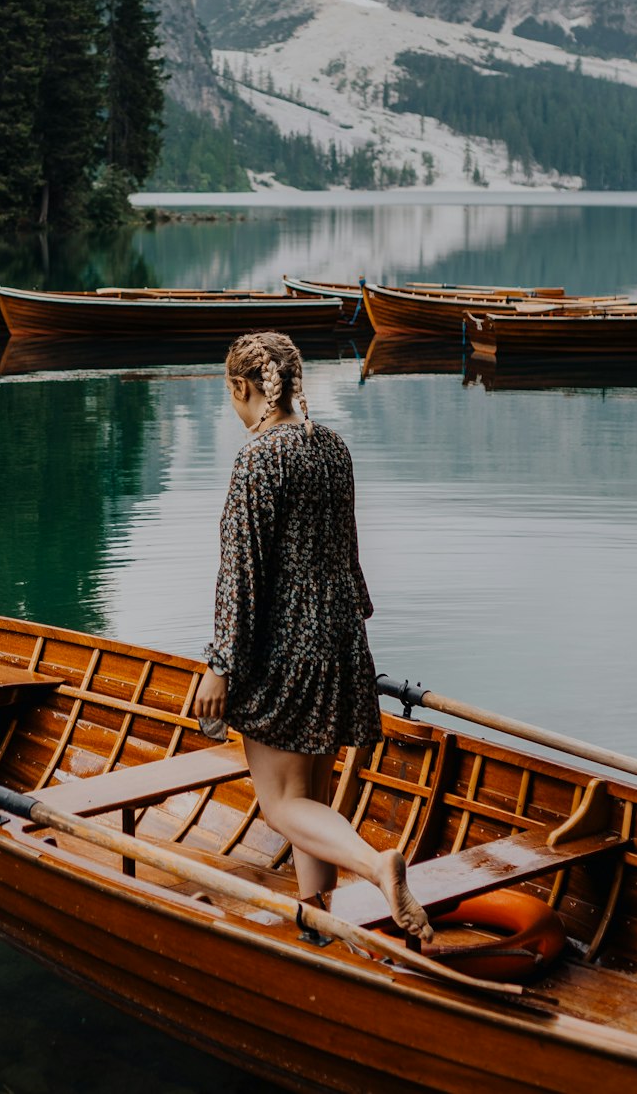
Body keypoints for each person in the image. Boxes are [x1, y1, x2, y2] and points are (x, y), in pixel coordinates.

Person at [193, 330, 432, 942]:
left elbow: (240, 575)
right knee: (312, 800)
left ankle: (376, 866)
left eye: (230, 393)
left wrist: (220, 663)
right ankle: (316, 923)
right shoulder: (332, 448)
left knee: (281, 807)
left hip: (284, 656)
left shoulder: (256, 459)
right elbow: (347, 558)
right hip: (340, 643)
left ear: (243, 388)